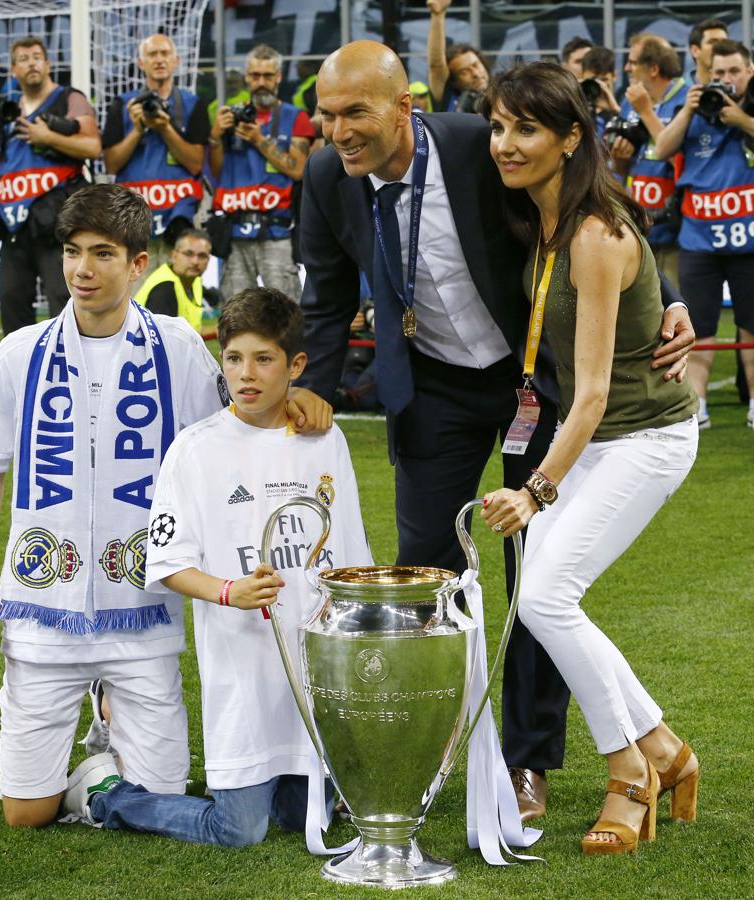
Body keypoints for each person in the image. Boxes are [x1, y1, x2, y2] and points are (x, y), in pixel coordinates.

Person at [298, 40, 695, 822]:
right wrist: (310, 393)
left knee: (534, 580)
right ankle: (431, 750)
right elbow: (324, 297)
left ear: (403, 110)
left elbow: (595, 205)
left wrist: (665, 296)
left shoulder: (482, 145)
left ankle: (528, 763)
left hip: (532, 383)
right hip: (430, 391)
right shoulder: (322, 177)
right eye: (324, 115)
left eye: (354, 114)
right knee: (427, 575)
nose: (336, 132)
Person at [0, 185, 332, 828]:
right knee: (25, 814)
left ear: (137, 264)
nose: (82, 270)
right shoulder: (18, 353)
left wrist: (298, 398)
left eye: (102, 254)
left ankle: (106, 760)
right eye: (73, 252)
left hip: (142, 616)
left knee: (160, 794)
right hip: (41, 613)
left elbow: (239, 421)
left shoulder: (179, 347)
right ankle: (93, 771)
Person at [480, 60, 700, 856]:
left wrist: (536, 490)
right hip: (600, 440)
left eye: (526, 129)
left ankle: (629, 772)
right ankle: (665, 750)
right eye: (498, 127)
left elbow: (597, 393)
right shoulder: (536, 217)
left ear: (571, 139)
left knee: (543, 597)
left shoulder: (594, 232)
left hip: (647, 437)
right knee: (541, 597)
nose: (505, 144)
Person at [63, 287, 372, 847]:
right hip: (241, 668)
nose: (245, 374)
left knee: (310, 820)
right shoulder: (195, 449)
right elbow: (167, 562)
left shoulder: (326, 438)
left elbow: (351, 556)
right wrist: (230, 591)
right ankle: (106, 793)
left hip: (313, 669)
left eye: (263, 359)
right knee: (239, 831)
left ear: (295, 366)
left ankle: (297, 782)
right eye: (233, 358)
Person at [651, 39, 754, 432]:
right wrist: (687, 108)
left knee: (753, 326)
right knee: (698, 326)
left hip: (750, 240)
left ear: (749, 72)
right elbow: (660, 149)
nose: (726, 80)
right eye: (718, 73)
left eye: (734, 71)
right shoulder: (695, 110)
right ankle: (696, 405)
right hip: (699, 240)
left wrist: (743, 121)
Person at [0, 37, 101, 334]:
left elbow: (93, 146)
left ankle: (74, 373)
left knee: (63, 300)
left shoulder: (70, 97)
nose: (31, 62)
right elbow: (6, 166)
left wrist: (49, 138)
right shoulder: (6, 110)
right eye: (23, 58)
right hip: (15, 221)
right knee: (11, 299)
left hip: (57, 218)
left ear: (47, 64)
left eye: (36, 56)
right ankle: (23, 377)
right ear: (13, 69)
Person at [208, 44, 311, 302]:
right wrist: (216, 137)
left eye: (267, 76)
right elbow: (216, 172)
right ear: (246, 77)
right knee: (236, 313)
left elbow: (298, 170)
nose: (261, 82)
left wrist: (258, 139)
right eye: (255, 76)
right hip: (234, 230)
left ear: (278, 76)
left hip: (276, 230)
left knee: (285, 312)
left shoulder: (295, 116)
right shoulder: (232, 115)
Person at [102, 33, 208, 271]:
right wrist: (137, 130)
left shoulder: (193, 104)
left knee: (176, 292)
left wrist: (165, 129)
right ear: (141, 63)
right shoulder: (123, 104)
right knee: (136, 293)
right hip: (134, 218)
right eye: (152, 54)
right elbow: (111, 165)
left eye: (165, 53)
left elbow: (196, 164)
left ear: (176, 61)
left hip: (178, 217)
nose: (159, 60)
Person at [613, 34, 688, 287]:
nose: (627, 69)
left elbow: (685, 162)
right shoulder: (629, 103)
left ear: (654, 68)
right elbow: (626, 167)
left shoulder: (686, 100)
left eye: (633, 63)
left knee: (675, 312)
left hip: (675, 230)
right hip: (638, 226)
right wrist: (619, 159)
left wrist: (646, 112)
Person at [133, 227, 212, 331]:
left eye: (202, 256)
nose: (195, 261)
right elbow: (161, 343)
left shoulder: (195, 280)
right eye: (188, 254)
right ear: (174, 255)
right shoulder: (164, 291)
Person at [426, 0, 491, 113]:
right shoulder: (449, 96)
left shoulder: (503, 95)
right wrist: (438, 15)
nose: (475, 74)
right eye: (464, 72)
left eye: (476, 65)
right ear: (455, 82)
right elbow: (436, 65)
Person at [688, 18, 729, 86]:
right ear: (695, 51)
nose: (720, 47)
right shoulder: (676, 92)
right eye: (712, 42)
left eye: (724, 42)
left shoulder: (738, 89)